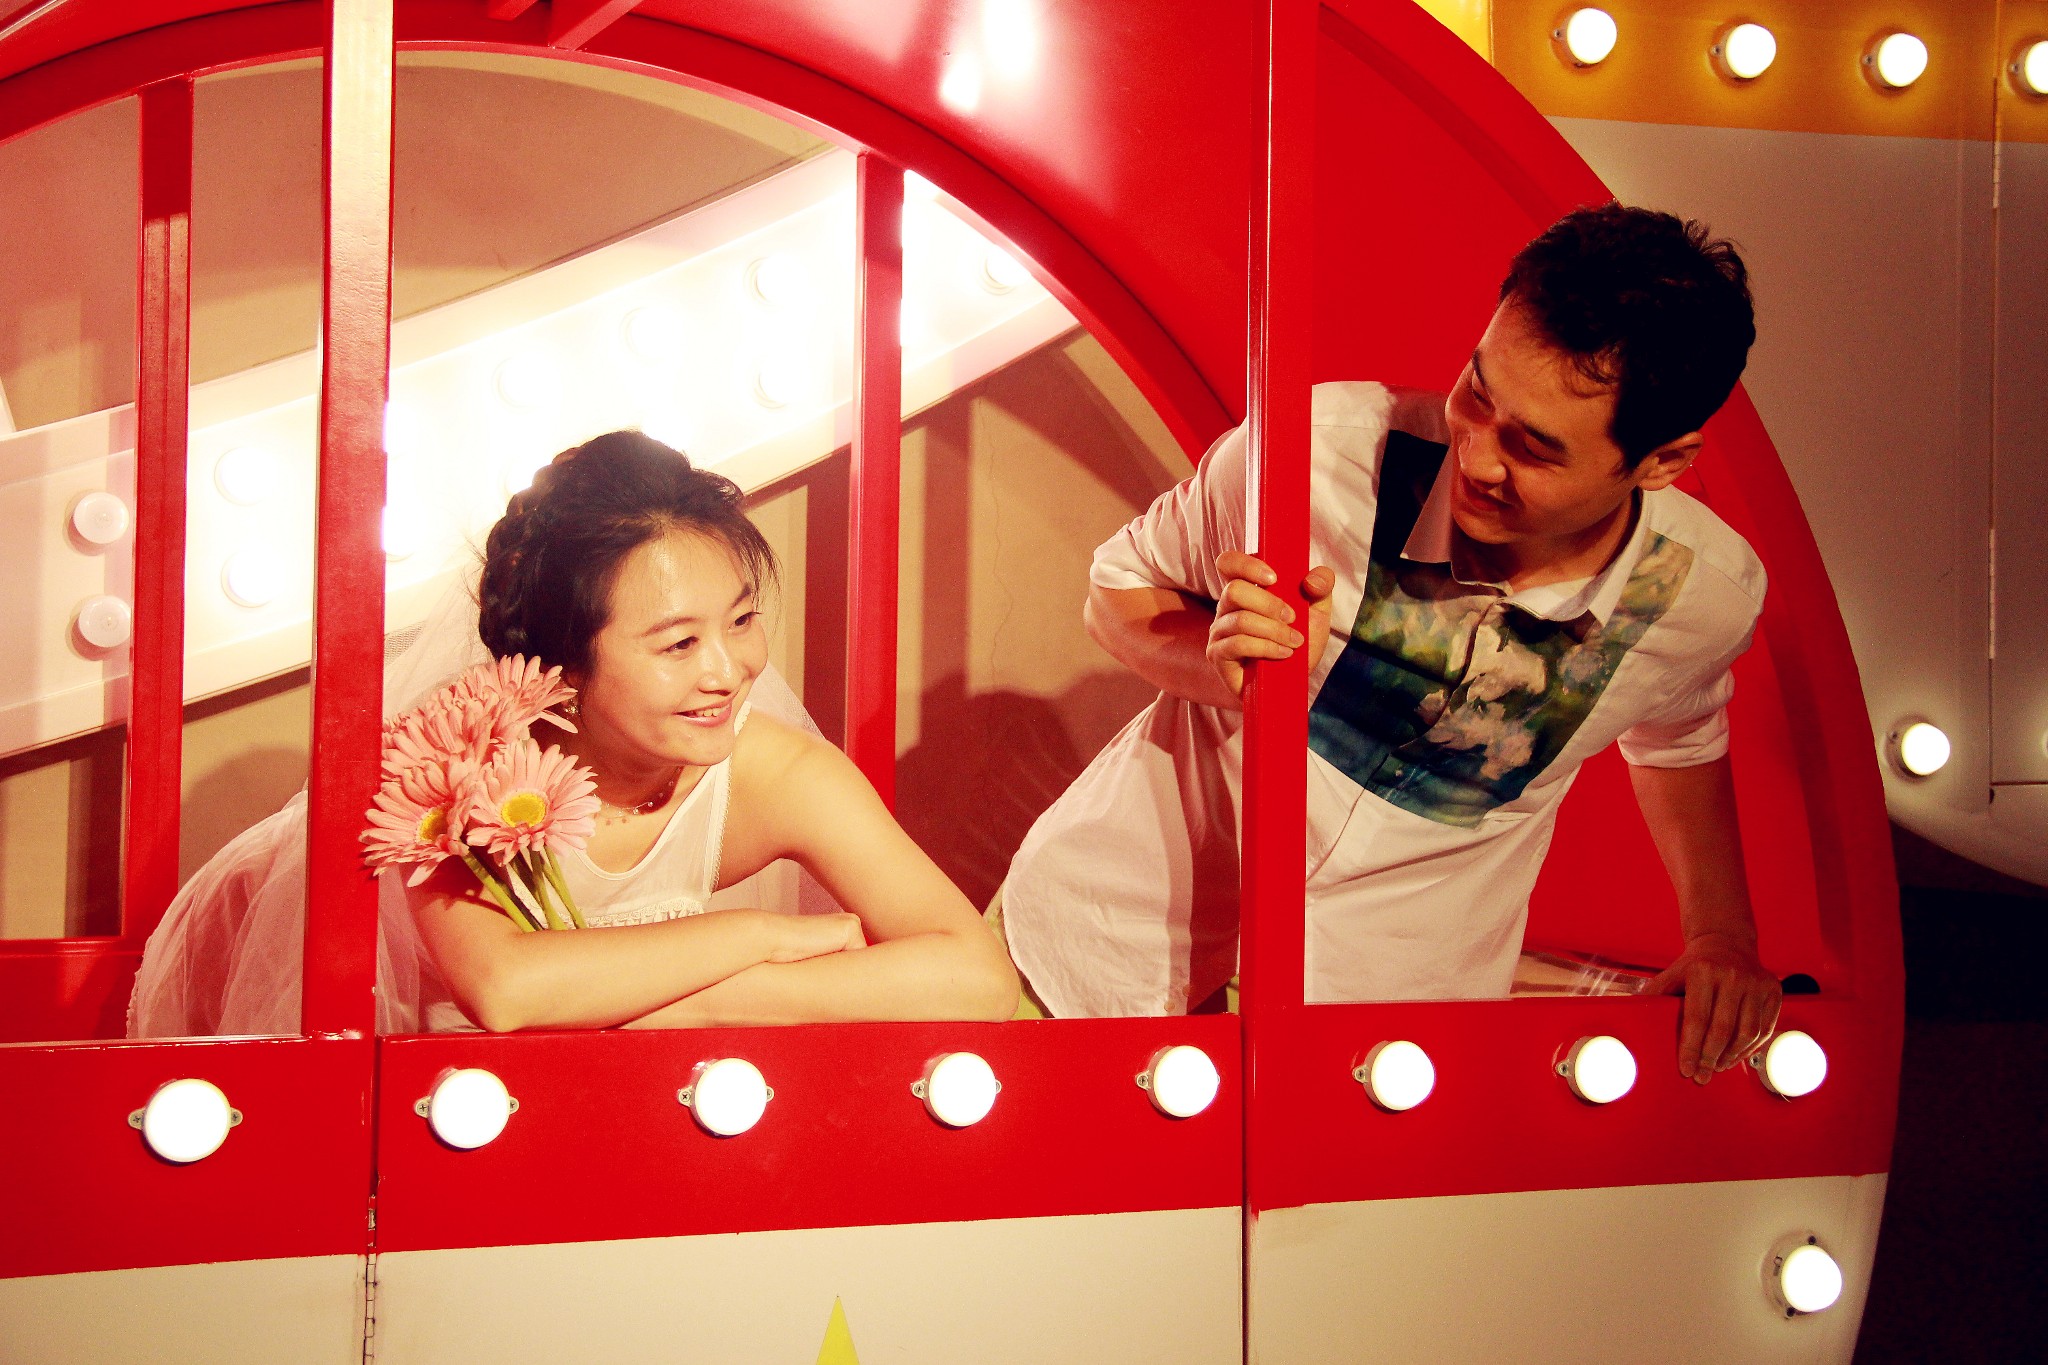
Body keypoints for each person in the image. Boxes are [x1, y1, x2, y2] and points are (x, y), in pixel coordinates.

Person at [1000, 203, 1780, 1083]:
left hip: (1375, 1051)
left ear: (1663, 462)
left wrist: (1721, 934)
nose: (1475, 457)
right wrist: (1222, 669)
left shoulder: (1703, 599)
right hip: (1099, 951)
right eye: (1477, 393)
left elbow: (1681, 737)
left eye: (1533, 447)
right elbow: (1117, 590)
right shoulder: (1312, 455)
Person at [130, 431, 1018, 1034]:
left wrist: (705, 1002)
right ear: (567, 660)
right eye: (678, 643)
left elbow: (977, 976)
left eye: (743, 620)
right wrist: (761, 935)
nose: (729, 670)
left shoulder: (779, 773)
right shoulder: (459, 761)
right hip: (347, 1042)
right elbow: (508, 990)